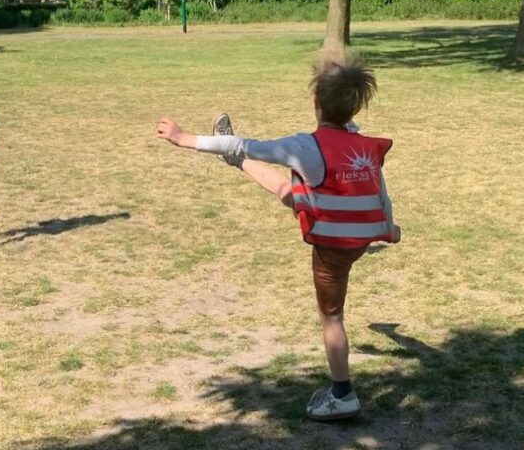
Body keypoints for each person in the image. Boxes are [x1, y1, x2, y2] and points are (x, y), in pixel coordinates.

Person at [156, 53, 400, 422]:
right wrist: (391, 225)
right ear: (355, 107)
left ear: (316, 102)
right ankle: (236, 167)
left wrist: (184, 138)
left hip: (333, 247)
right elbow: (379, 186)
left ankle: (342, 394)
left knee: (332, 317)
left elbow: (246, 143)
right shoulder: (358, 141)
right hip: (361, 235)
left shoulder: (306, 147)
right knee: (289, 191)